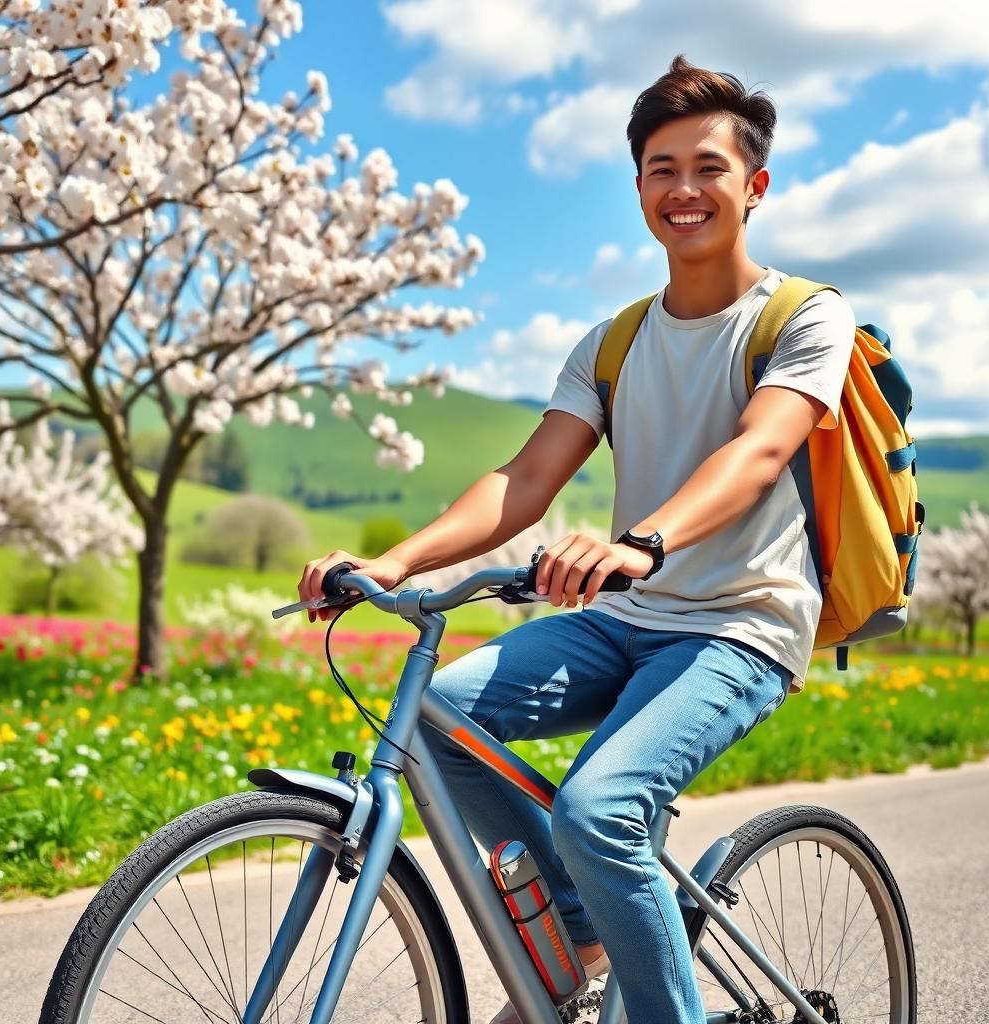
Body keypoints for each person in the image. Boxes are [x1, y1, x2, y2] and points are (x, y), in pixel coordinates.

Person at [298, 53, 856, 1024]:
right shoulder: (611, 342)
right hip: (625, 617)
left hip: (739, 628)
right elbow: (520, 482)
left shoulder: (800, 316)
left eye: (707, 168)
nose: (683, 189)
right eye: (660, 168)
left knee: (597, 810)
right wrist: (392, 562)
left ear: (754, 186)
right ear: (637, 184)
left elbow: (762, 448)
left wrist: (644, 538)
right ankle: (579, 926)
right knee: (439, 715)